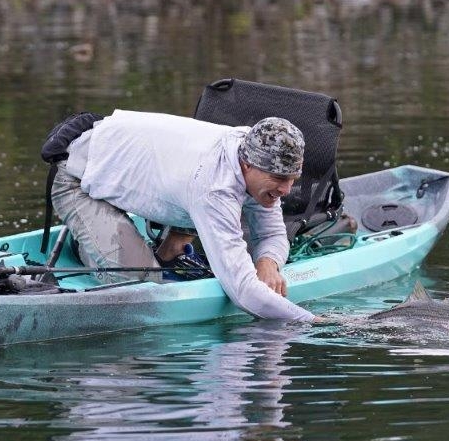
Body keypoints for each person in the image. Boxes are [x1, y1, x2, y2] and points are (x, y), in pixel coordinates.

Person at [47, 109, 316, 322]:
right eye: (279, 178)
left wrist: (268, 263)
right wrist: (313, 322)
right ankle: (87, 244)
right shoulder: (215, 188)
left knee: (218, 202)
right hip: (77, 181)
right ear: (247, 164)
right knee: (143, 287)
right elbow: (243, 292)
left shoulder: (252, 148)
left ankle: (167, 249)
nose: (286, 189)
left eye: (293, 179)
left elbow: (271, 234)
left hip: (128, 165)